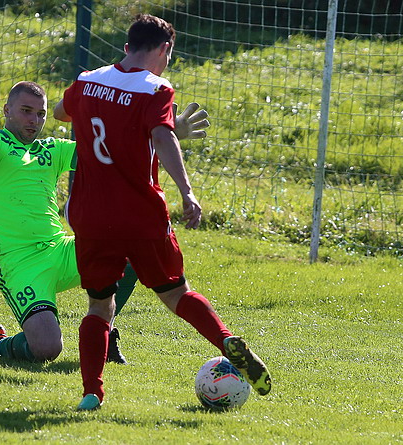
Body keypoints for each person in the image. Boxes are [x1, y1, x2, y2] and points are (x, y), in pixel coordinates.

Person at [53, 14, 272, 410]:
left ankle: (91, 393)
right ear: (164, 49)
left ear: (127, 46)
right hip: (140, 215)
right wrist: (187, 191)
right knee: (175, 293)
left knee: (100, 306)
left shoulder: (87, 81)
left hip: (91, 214)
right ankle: (225, 340)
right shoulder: (156, 89)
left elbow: (60, 112)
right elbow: (161, 135)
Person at [0, 81, 209, 364]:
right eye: (26, 111)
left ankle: (105, 334)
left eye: (41, 114)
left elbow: (112, 154)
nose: (34, 120)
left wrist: (162, 136)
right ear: (7, 110)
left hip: (60, 251)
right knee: (47, 349)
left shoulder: (52, 149)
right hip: (18, 262)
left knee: (131, 252)